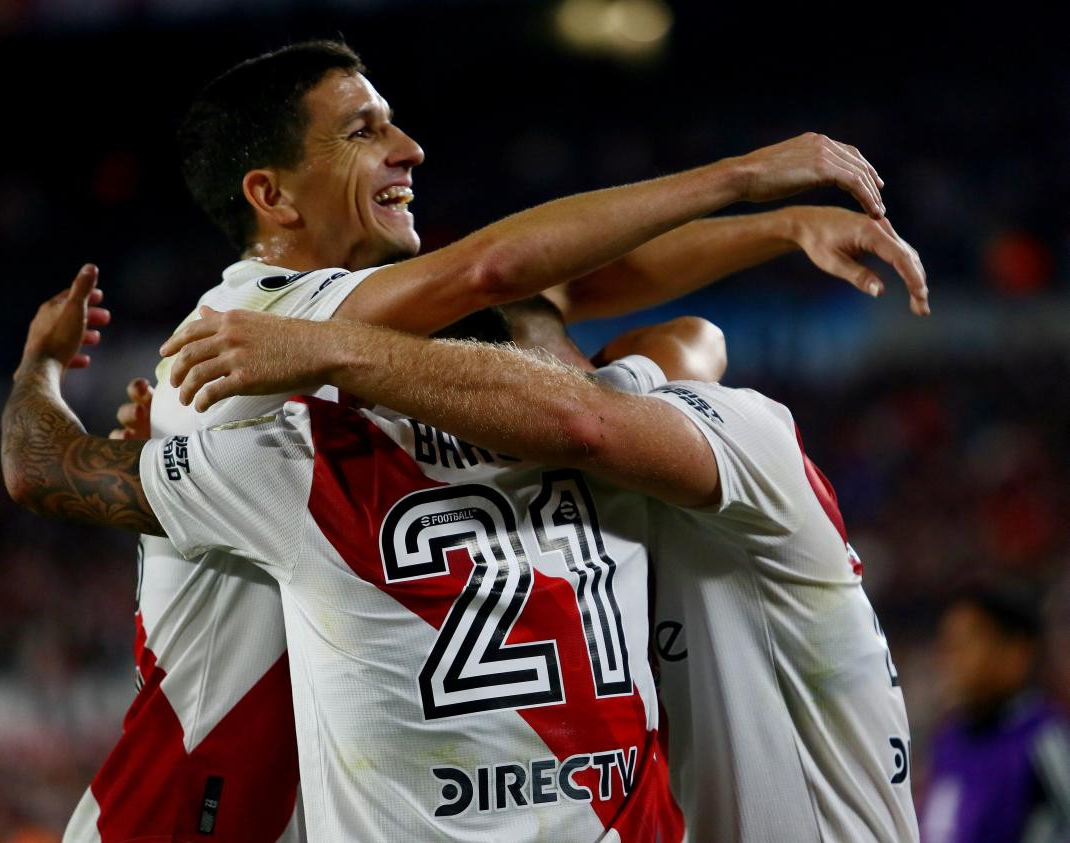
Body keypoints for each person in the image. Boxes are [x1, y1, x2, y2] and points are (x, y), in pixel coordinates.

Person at [77, 38, 929, 841]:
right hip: (190, 799)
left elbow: (576, 284)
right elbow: (504, 277)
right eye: (363, 131)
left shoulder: (361, 325)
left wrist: (781, 232)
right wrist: (746, 180)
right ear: (272, 195)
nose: (408, 147)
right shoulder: (252, 322)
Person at [151, 287, 924, 840]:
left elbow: (587, 409)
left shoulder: (739, 434)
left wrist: (327, 349)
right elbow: (673, 347)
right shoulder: (625, 428)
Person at [920, 581, 1070, 843]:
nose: (949, 660)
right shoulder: (948, 740)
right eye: (947, 646)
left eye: (964, 645)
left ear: (1016, 652)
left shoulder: (1044, 739)